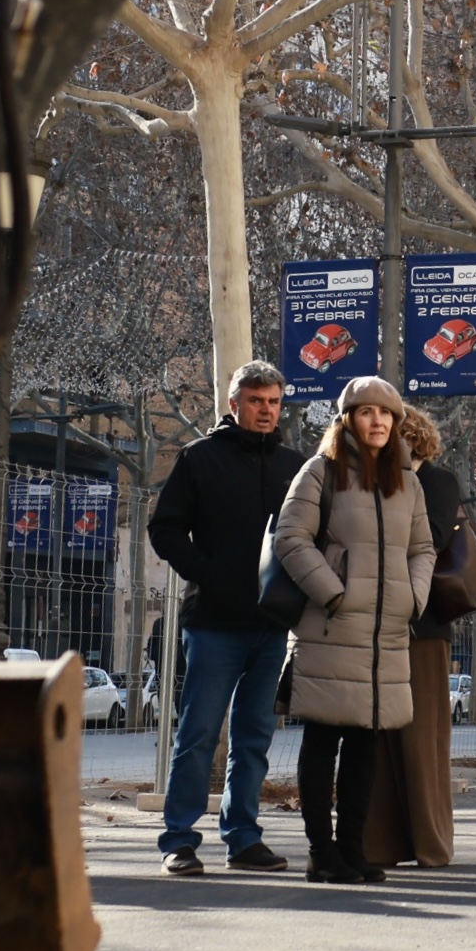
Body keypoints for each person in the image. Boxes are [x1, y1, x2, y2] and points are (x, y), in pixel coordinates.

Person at [274, 376, 437, 884]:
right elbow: (290, 538)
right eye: (368, 413)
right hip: (332, 626)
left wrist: (412, 597)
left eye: (387, 415)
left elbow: (423, 550)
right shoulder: (320, 472)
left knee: (367, 743)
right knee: (324, 739)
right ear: (347, 419)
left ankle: (352, 849)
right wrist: (334, 592)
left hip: (386, 631)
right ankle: (321, 852)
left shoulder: (408, 482)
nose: (379, 422)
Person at [145, 360, 304, 877]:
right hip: (212, 622)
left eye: (274, 402)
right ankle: (178, 840)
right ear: (234, 404)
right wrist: (206, 572)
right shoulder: (198, 459)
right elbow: (165, 528)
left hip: (271, 625)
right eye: (256, 401)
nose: (266, 410)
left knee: (255, 735)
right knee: (197, 734)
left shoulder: (294, 466)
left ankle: (242, 837)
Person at [362, 405, 472, 868]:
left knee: (422, 735)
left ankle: (429, 843)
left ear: (410, 437)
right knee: (380, 737)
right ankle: (381, 844)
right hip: (376, 623)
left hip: (424, 628)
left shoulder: (438, 482)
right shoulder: (372, 480)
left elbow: (427, 540)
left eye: (391, 432)